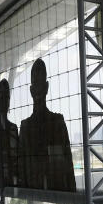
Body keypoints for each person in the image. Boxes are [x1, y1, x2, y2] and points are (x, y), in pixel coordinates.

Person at [18, 58, 76, 192]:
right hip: (45, 191)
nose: (38, 89)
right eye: (36, 84)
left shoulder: (57, 121)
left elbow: (68, 161)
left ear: (46, 87)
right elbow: (22, 166)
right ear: (31, 90)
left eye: (40, 83)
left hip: (53, 191)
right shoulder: (26, 126)